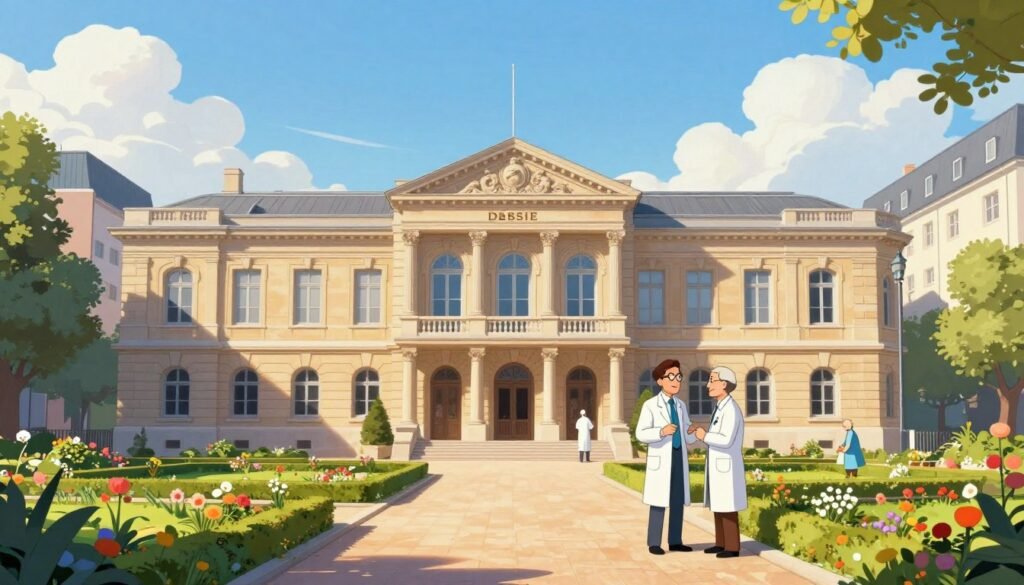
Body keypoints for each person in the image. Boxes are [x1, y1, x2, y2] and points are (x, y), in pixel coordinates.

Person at [635, 359, 697, 555]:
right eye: (671, 376)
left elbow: (687, 434)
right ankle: (654, 542)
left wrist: (694, 432)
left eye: (678, 376)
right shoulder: (650, 405)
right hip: (662, 457)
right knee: (659, 501)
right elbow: (641, 433)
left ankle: (675, 540)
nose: (675, 380)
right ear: (660, 381)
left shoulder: (680, 405)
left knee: (677, 500)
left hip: (678, 456)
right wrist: (661, 432)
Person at [690, 366, 746, 559]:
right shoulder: (720, 407)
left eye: (712, 380)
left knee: (728, 508)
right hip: (718, 465)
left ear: (724, 384)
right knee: (719, 506)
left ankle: (732, 546)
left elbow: (726, 439)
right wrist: (704, 435)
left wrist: (704, 435)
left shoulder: (730, 409)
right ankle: (720, 543)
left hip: (727, 466)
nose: (707, 385)